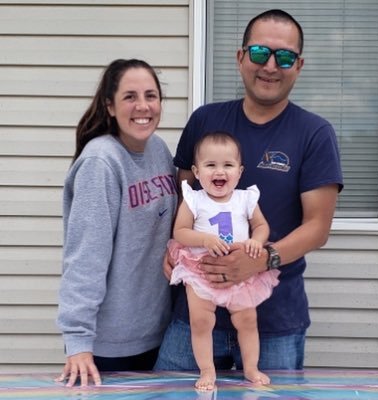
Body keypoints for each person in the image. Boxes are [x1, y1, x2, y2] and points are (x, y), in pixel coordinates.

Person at [155, 9, 343, 373]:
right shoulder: (205, 121)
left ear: (299, 65)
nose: (270, 65)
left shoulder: (315, 133)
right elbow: (185, 199)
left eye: (284, 56)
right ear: (241, 57)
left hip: (273, 322)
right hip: (195, 308)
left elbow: (317, 228)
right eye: (259, 53)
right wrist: (174, 246)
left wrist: (259, 259)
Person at [56, 58, 178, 387]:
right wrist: (79, 341)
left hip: (157, 332)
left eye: (151, 96)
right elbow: (86, 256)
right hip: (108, 344)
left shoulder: (159, 150)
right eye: (130, 97)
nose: (143, 106)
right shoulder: (101, 162)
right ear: (110, 106)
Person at [168, 131, 280, 390]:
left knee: (247, 319)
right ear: (196, 171)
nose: (220, 172)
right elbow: (180, 232)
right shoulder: (194, 199)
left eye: (228, 165)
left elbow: (261, 226)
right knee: (201, 320)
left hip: (240, 271)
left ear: (239, 172)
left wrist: (256, 241)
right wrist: (205, 240)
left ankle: (251, 368)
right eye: (211, 165)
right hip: (201, 269)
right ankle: (207, 371)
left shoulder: (245, 198)